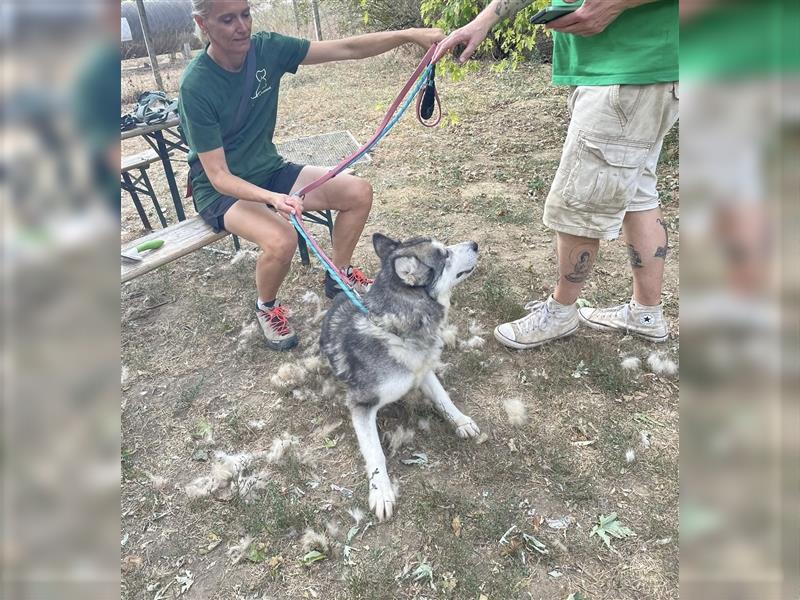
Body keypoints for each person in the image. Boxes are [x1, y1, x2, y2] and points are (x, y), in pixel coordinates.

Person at [181, 0, 443, 350]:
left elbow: (347, 48)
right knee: (281, 239)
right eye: (227, 19)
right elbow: (218, 175)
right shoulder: (196, 85)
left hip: (268, 170)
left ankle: (339, 276)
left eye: (245, 14)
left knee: (357, 192)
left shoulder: (267, 49)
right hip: (221, 191)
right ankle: (266, 307)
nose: (241, 26)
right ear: (203, 23)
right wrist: (271, 199)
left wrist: (408, 35)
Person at [434, 0, 678, 348]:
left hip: (628, 70)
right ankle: (646, 314)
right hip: (636, 68)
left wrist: (613, 5)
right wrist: (484, 20)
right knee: (638, 194)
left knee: (576, 204)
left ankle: (562, 312)